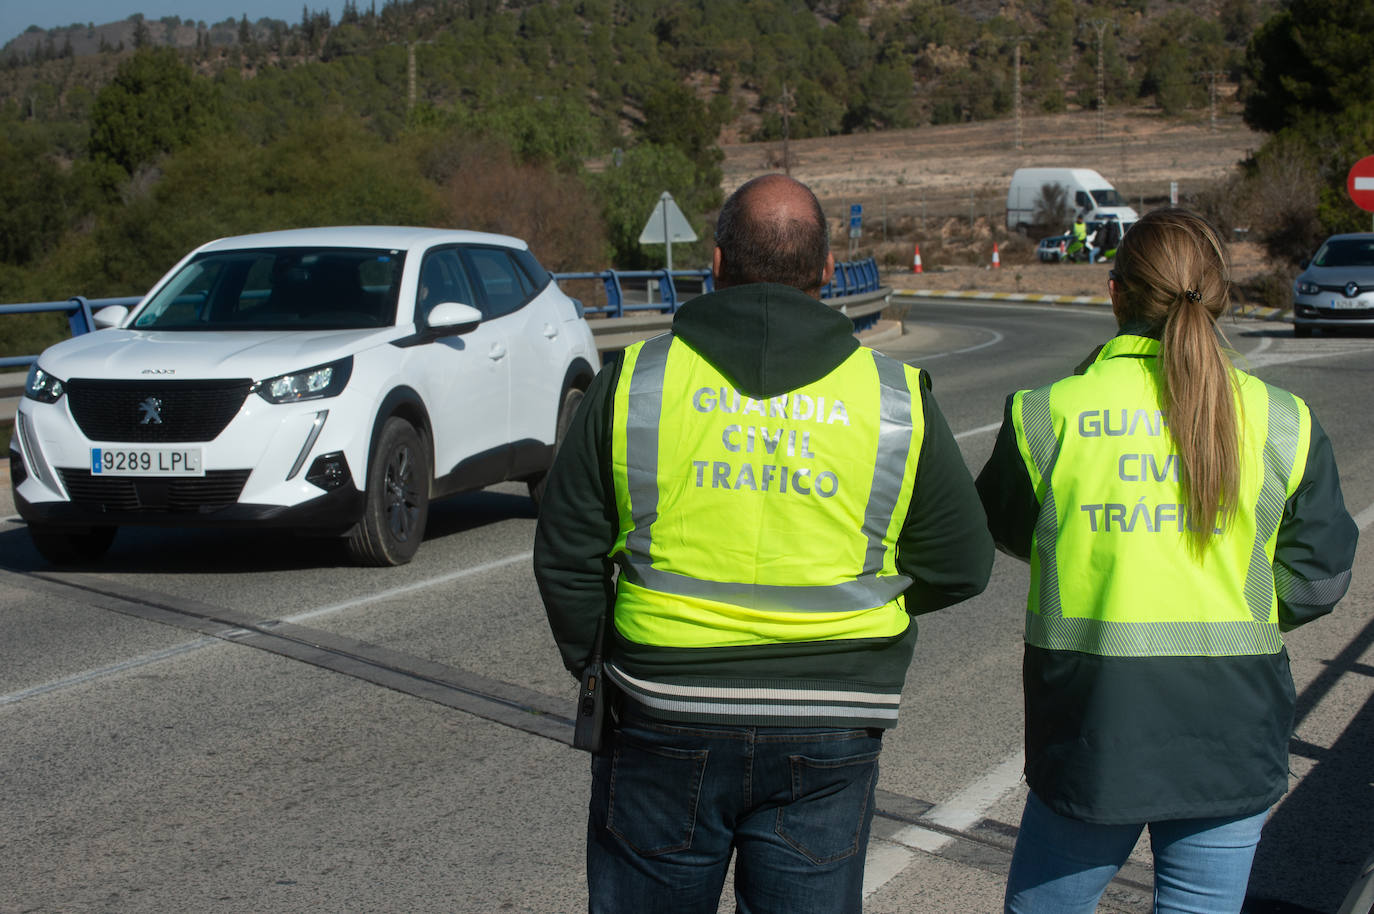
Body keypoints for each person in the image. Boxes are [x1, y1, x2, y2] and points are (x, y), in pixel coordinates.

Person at [534, 174, 994, 914]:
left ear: (715, 264)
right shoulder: (895, 399)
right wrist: (859, 612)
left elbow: (565, 554)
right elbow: (962, 565)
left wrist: (597, 667)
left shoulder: (633, 384)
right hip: (830, 722)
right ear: (825, 270)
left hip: (662, 709)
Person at [975, 208, 1358, 912]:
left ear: (1116, 294)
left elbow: (1006, 529)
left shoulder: (1046, 413)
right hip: (1234, 724)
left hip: (1094, 726)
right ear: (1218, 296)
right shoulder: (1283, 418)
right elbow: (1320, 579)